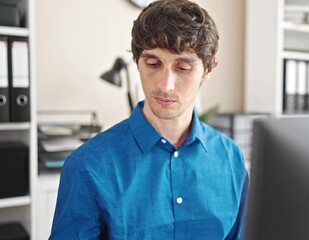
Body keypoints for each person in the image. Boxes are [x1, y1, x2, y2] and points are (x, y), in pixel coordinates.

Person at [49, 0, 249, 239]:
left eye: (183, 67)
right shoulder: (87, 166)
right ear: (137, 62)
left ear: (207, 70)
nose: (165, 85)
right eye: (153, 64)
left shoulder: (231, 159)